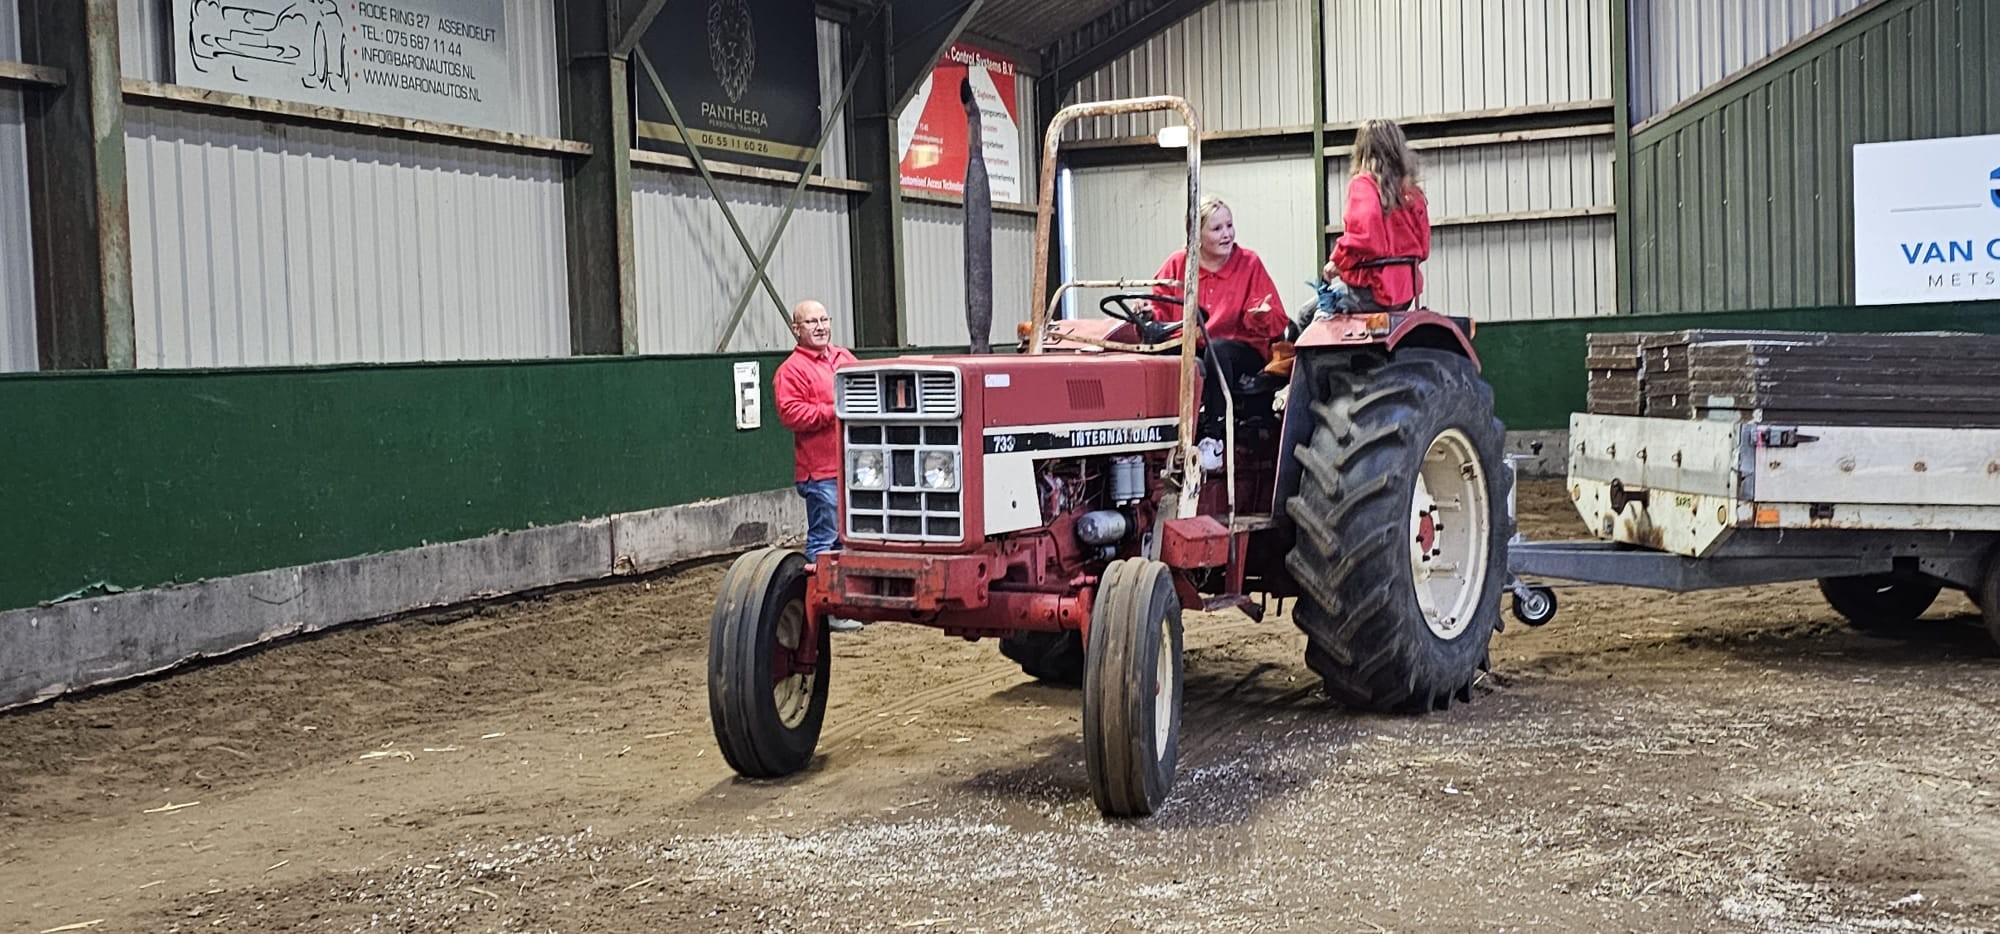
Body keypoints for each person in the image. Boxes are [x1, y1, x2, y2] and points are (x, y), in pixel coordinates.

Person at [1147, 196, 1287, 471]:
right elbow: (1159, 306)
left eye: (1229, 226)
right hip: (1193, 346)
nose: (1227, 234)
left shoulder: (1249, 263)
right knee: (1163, 356)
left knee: (1218, 350)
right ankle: (1160, 436)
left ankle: (1214, 438)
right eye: (1217, 229)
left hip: (1239, 350)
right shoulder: (1178, 264)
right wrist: (1148, 312)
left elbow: (1275, 320)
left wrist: (1260, 315)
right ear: (1195, 235)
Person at [775, 299, 864, 632]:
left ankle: (844, 601)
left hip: (851, 467)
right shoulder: (791, 371)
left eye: (824, 319)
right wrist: (834, 411)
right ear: (795, 329)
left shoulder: (844, 358)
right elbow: (791, 413)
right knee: (825, 538)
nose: (820, 326)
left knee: (848, 537)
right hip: (821, 471)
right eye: (811, 321)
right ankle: (824, 608)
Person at [1321, 118, 1432, 314]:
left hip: (1371, 293)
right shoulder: (1412, 192)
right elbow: (1423, 249)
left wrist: (1338, 262)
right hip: (1406, 294)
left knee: (1306, 315)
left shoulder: (1363, 184)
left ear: (1362, 148)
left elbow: (1364, 236)